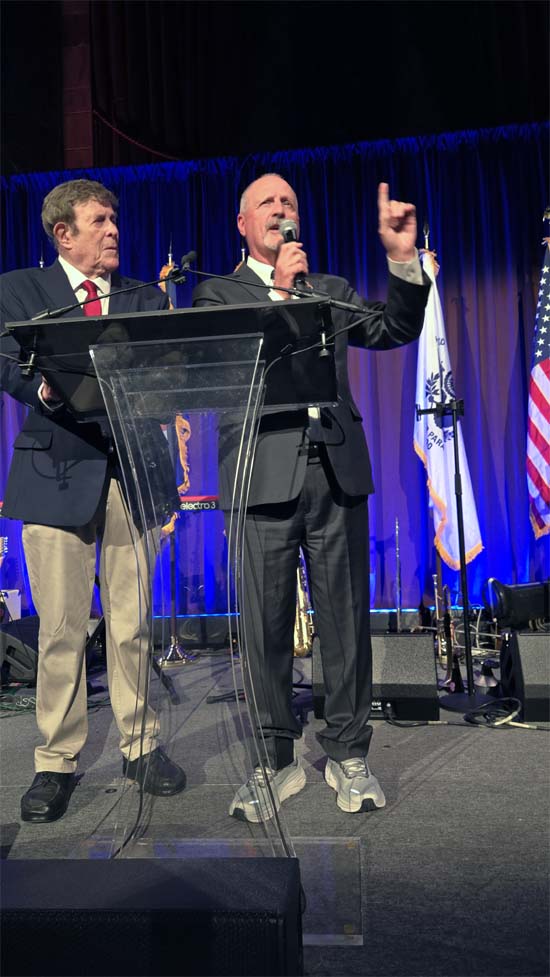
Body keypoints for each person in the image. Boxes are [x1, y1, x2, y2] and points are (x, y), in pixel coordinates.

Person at [193, 174, 430, 821]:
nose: (282, 210)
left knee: (346, 622)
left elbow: (391, 330)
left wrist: (403, 262)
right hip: (260, 475)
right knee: (264, 627)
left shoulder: (328, 288)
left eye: (291, 202)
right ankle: (275, 760)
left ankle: (349, 753)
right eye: (268, 203)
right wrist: (280, 294)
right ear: (241, 224)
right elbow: (228, 360)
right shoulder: (218, 293)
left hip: (335, 469)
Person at [0, 179, 186, 822]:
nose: (113, 231)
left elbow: (170, 369)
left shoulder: (139, 295)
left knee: (133, 622)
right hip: (54, 474)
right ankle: (56, 762)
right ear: (64, 233)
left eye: (115, 220)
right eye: (99, 221)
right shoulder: (22, 289)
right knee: (60, 631)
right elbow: (5, 357)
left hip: (133, 472)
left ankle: (141, 747)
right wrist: (46, 394)